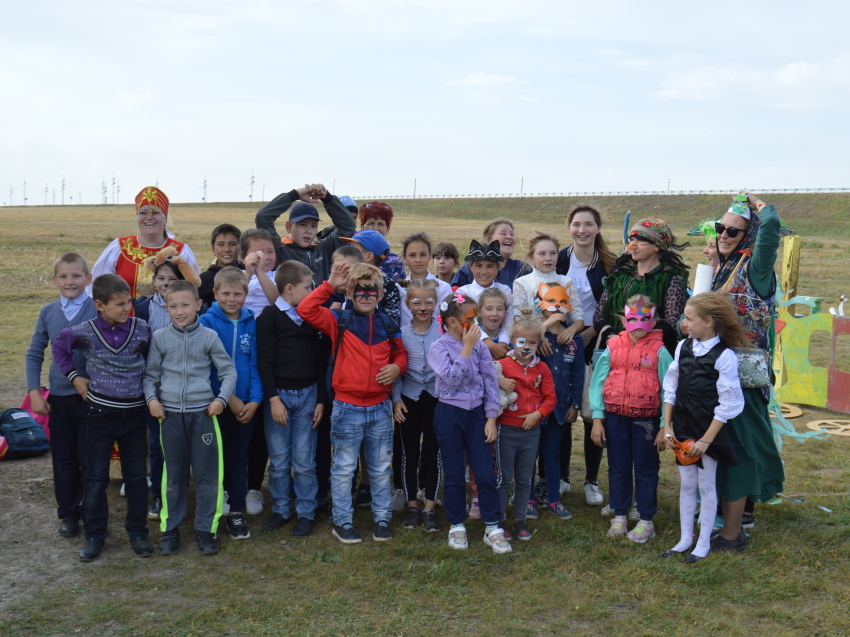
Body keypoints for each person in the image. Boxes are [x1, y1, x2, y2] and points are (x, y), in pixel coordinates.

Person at [297, 262, 408, 545]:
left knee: (381, 468)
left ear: (380, 294)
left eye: (372, 291)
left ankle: (382, 519)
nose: (366, 296)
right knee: (344, 469)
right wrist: (329, 285)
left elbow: (400, 354)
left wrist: (397, 368)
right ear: (349, 293)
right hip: (346, 409)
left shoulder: (388, 324)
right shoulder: (339, 321)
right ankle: (342, 521)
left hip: (380, 408)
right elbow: (306, 310)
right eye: (360, 290)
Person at [52, 274, 153, 562]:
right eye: (119, 304)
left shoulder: (142, 328)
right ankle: (95, 535)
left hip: (135, 414)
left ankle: (138, 532)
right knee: (96, 478)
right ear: (99, 305)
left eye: (128, 302)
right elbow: (59, 347)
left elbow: (150, 359)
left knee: (136, 477)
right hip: (99, 415)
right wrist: (75, 377)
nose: (126, 308)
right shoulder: (84, 332)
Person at [710, 192, 785, 551]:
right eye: (720, 228)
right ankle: (731, 514)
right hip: (717, 373)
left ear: (749, 236)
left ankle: (736, 524)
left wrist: (761, 207)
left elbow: (770, 233)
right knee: (725, 446)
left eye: (733, 231)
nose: (724, 235)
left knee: (741, 447)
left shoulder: (756, 268)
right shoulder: (724, 268)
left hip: (744, 378)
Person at [143, 281, 237, 556]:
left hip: (203, 415)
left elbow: (228, 372)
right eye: (173, 306)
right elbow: (150, 377)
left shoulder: (208, 336)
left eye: (185, 305)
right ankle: (169, 529)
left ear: (198, 305)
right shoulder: (160, 338)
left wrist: (221, 400)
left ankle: (206, 530)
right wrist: (152, 400)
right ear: (166, 308)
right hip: (170, 416)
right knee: (173, 476)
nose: (179, 311)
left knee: (208, 476)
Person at [662, 292, 748, 563]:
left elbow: (728, 403)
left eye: (689, 319)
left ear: (708, 322)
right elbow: (671, 387)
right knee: (687, 484)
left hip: (707, 431)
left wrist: (706, 440)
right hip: (682, 427)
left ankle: (703, 542)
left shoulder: (725, 356)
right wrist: (667, 426)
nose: (684, 323)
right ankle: (685, 538)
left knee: (706, 486)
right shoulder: (683, 347)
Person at [428, 292, 510, 554]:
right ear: (452, 322)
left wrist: (491, 417)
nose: (475, 325)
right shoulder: (438, 348)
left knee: (485, 472)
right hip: (449, 414)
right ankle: (456, 525)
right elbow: (452, 380)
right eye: (470, 319)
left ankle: (492, 526)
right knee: (453, 473)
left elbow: (490, 381)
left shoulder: (480, 346)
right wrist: (466, 348)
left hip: (477, 416)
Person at [589, 295, 673, 543]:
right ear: (624, 319)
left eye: (644, 318)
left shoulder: (660, 351)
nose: (637, 323)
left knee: (646, 468)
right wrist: (597, 418)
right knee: (618, 467)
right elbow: (598, 382)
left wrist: (664, 425)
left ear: (654, 321)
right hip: (616, 418)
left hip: (646, 420)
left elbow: (669, 390)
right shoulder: (613, 346)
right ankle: (620, 515)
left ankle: (646, 520)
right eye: (632, 318)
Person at [25, 253, 97, 538]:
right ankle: (68, 512)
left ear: (88, 279)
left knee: (90, 457)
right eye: (64, 276)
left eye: (76, 275)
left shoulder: (97, 309)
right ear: (55, 280)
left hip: (92, 397)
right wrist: (34, 391)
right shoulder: (48, 312)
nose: (70, 281)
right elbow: (35, 353)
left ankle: (92, 511)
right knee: (64, 458)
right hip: (60, 396)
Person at [256, 261, 327, 538]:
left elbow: (319, 360)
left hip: (308, 395)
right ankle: (281, 509)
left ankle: (306, 512)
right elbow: (264, 361)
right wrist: (273, 399)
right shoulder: (269, 318)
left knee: (305, 460)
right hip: (279, 399)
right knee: (279, 461)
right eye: (307, 287)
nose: (311, 292)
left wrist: (320, 399)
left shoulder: (310, 316)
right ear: (289, 288)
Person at [553, 205, 616, 506]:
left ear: (598, 228)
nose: (582, 230)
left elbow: (614, 307)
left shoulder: (609, 264)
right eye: (576, 224)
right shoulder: (559, 259)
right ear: (569, 227)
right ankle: (563, 477)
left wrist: (588, 334)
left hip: (594, 343)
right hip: (560, 342)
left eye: (588, 224)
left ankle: (591, 481)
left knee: (593, 412)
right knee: (564, 410)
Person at [133, 248, 202, 521]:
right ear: (153, 280)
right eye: (161, 278)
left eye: (172, 280)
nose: (165, 284)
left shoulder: (189, 310)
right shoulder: (143, 307)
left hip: (184, 386)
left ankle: (181, 490)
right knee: (157, 444)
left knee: (183, 443)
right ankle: (159, 496)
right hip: (155, 387)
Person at [198, 266, 263, 541]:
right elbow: (207, 367)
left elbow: (256, 364)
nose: (232, 299)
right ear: (215, 294)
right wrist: (229, 399)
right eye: (226, 294)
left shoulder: (251, 323)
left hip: (245, 407)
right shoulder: (206, 322)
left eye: (238, 294)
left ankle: (236, 511)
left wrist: (254, 401)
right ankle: (213, 508)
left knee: (238, 459)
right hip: (215, 405)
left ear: (246, 294)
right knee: (213, 459)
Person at [495, 312, 557, 542]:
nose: (527, 346)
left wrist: (537, 414)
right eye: (522, 341)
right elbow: (487, 387)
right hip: (506, 431)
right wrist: (497, 380)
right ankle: (499, 520)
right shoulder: (501, 366)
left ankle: (520, 519)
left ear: (539, 343)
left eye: (533, 342)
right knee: (503, 478)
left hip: (531, 433)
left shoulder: (542, 369)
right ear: (512, 340)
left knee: (524, 479)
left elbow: (550, 398)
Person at [592, 216, 689, 354]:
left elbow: (671, 324)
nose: (632, 245)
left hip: (651, 354)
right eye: (631, 240)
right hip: (615, 350)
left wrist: (638, 340)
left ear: (657, 246)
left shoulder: (671, 279)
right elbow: (599, 316)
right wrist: (612, 337)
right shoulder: (619, 276)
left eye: (641, 240)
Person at [392, 279, 443, 533]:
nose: (423, 307)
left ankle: (430, 506)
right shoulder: (400, 334)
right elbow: (395, 370)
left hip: (436, 399)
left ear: (436, 303)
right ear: (407, 304)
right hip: (408, 399)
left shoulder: (443, 333)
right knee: (408, 453)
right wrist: (396, 399)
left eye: (429, 302)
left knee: (433, 453)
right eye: (416, 302)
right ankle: (411, 505)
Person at [90, 186, 199, 298]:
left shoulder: (181, 251)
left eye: (155, 212)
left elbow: (194, 290)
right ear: (137, 217)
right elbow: (98, 287)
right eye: (143, 212)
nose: (149, 217)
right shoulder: (119, 247)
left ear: (165, 218)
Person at [533, 288, 585, 520]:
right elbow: (522, 352)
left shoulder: (575, 340)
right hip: (535, 407)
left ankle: (554, 499)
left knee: (552, 453)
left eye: (561, 301)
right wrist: (542, 329)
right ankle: (527, 499)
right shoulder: (536, 336)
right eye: (550, 301)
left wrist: (576, 404)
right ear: (540, 303)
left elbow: (577, 374)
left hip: (560, 407)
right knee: (531, 453)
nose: (556, 306)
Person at [238, 228, 279, 516]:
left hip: (266, 356)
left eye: (271, 251)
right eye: (259, 252)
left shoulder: (276, 277)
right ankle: (233, 484)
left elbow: (277, 300)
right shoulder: (238, 277)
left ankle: (254, 486)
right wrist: (247, 272)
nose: (266, 256)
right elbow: (233, 298)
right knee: (239, 425)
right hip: (239, 355)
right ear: (244, 255)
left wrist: (261, 272)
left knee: (260, 431)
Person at [255, 183, 356, 287]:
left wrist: (327, 198)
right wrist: (295, 194)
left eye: (313, 226)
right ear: (289, 227)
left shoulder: (322, 249)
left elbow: (348, 226)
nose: (309, 231)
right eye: (303, 225)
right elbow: (263, 216)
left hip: (322, 298)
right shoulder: (279, 249)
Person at [511, 232, 584, 336]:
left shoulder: (566, 282)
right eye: (542, 253)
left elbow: (578, 317)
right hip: (532, 339)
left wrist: (572, 329)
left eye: (553, 253)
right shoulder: (522, 283)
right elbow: (517, 319)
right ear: (532, 258)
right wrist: (539, 333)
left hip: (561, 338)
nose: (548, 258)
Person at [341, 229, 402, 331]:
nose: (348, 254)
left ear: (369, 256)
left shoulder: (387, 286)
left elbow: (392, 326)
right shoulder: (342, 278)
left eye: (354, 251)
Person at [452, 217, 531, 288]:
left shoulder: (522, 268)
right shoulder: (467, 270)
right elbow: (456, 296)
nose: (509, 237)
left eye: (512, 234)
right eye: (503, 233)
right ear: (488, 240)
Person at [398, 232, 452, 327]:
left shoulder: (443, 288)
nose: (418, 260)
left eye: (423, 255)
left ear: (430, 256)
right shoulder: (398, 288)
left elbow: (447, 322)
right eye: (412, 255)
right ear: (404, 258)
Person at [357, 200, 406, 281]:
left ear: (387, 229)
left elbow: (400, 287)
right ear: (362, 227)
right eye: (371, 223)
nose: (375, 229)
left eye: (381, 224)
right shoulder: (354, 255)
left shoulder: (395, 261)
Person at [198, 224, 243, 307]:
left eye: (232, 244)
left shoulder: (250, 274)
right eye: (221, 244)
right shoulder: (204, 280)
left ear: (240, 248)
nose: (227, 249)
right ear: (213, 250)